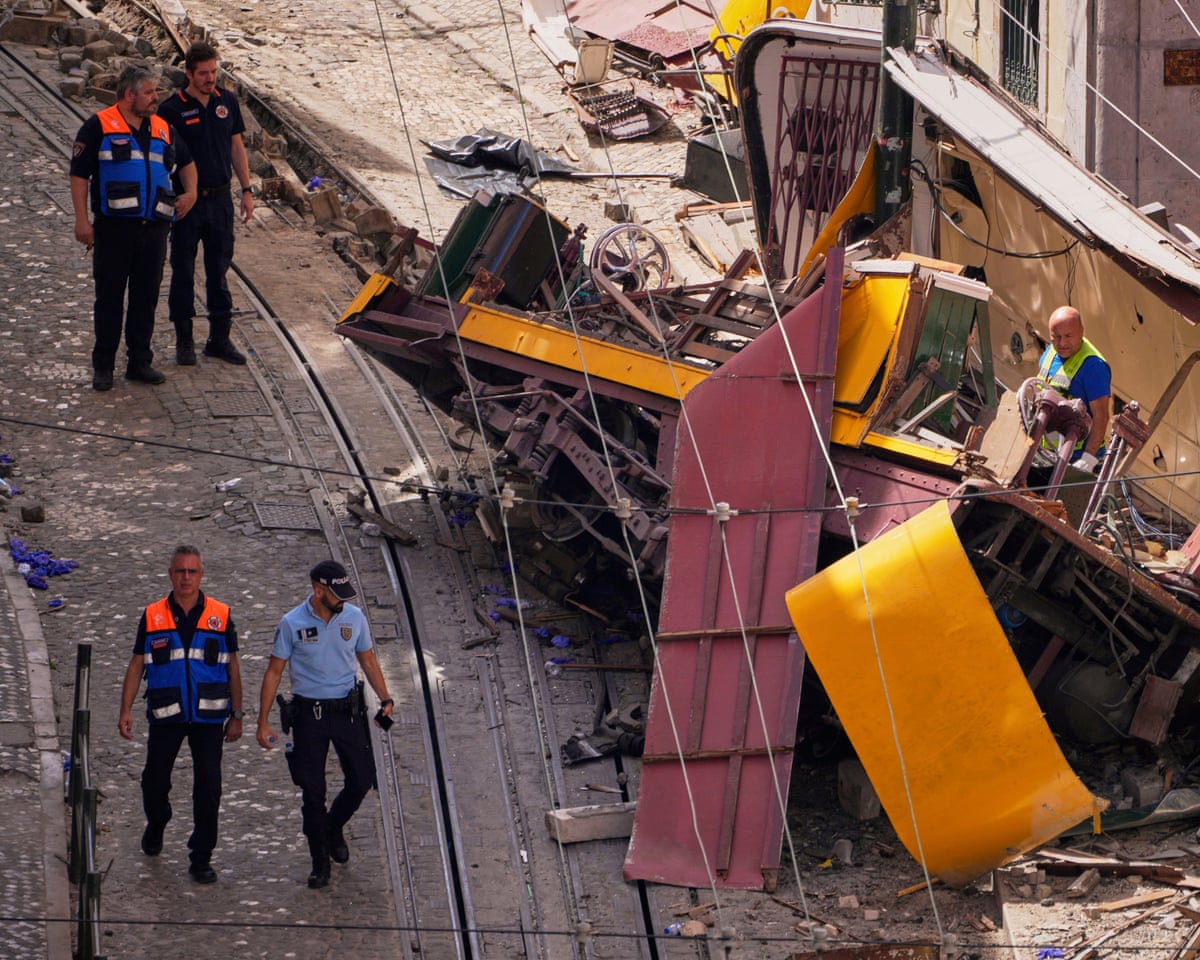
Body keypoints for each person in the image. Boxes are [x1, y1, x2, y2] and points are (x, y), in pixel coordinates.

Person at [256, 560, 394, 890]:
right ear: (319, 591)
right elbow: (275, 671)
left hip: (347, 712)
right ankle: (320, 860)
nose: (343, 601)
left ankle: (333, 827)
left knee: (361, 780)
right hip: (309, 716)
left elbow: (368, 659)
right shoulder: (292, 623)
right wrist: (262, 722)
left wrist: (385, 698)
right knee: (313, 790)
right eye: (337, 594)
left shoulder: (354, 617)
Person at [118, 545, 243, 884]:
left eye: (192, 571)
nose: (186, 577)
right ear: (170, 574)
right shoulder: (153, 615)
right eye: (180, 571)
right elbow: (136, 664)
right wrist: (125, 709)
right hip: (166, 714)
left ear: (201, 574)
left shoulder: (220, 614)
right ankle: (158, 821)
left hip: (208, 717)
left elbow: (232, 666)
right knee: (153, 782)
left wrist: (238, 715)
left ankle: (201, 857)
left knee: (209, 786)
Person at [70, 65, 198, 391]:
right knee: (109, 299)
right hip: (114, 230)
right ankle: (104, 366)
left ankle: (140, 362)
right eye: (149, 93)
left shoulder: (162, 127)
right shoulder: (98, 125)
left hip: (154, 230)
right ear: (130, 95)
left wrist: (191, 192)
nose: (156, 98)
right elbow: (79, 174)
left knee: (145, 299)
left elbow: (186, 162)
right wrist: (82, 220)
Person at [156, 41, 254, 367]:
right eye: (203, 74)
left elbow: (236, 147)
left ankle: (219, 339)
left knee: (219, 270)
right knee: (183, 270)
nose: (210, 78)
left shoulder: (227, 101)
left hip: (221, 199)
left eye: (214, 72)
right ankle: (185, 340)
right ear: (189, 73)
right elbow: (162, 158)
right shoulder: (171, 109)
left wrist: (247, 190)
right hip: (187, 203)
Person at [1036, 305, 1112, 472]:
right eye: (1056, 337)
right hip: (1047, 453)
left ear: (1081, 332)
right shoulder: (1050, 352)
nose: (1062, 343)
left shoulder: (1093, 367)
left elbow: (1101, 417)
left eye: (1068, 336)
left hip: (1075, 459)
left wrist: (1088, 460)